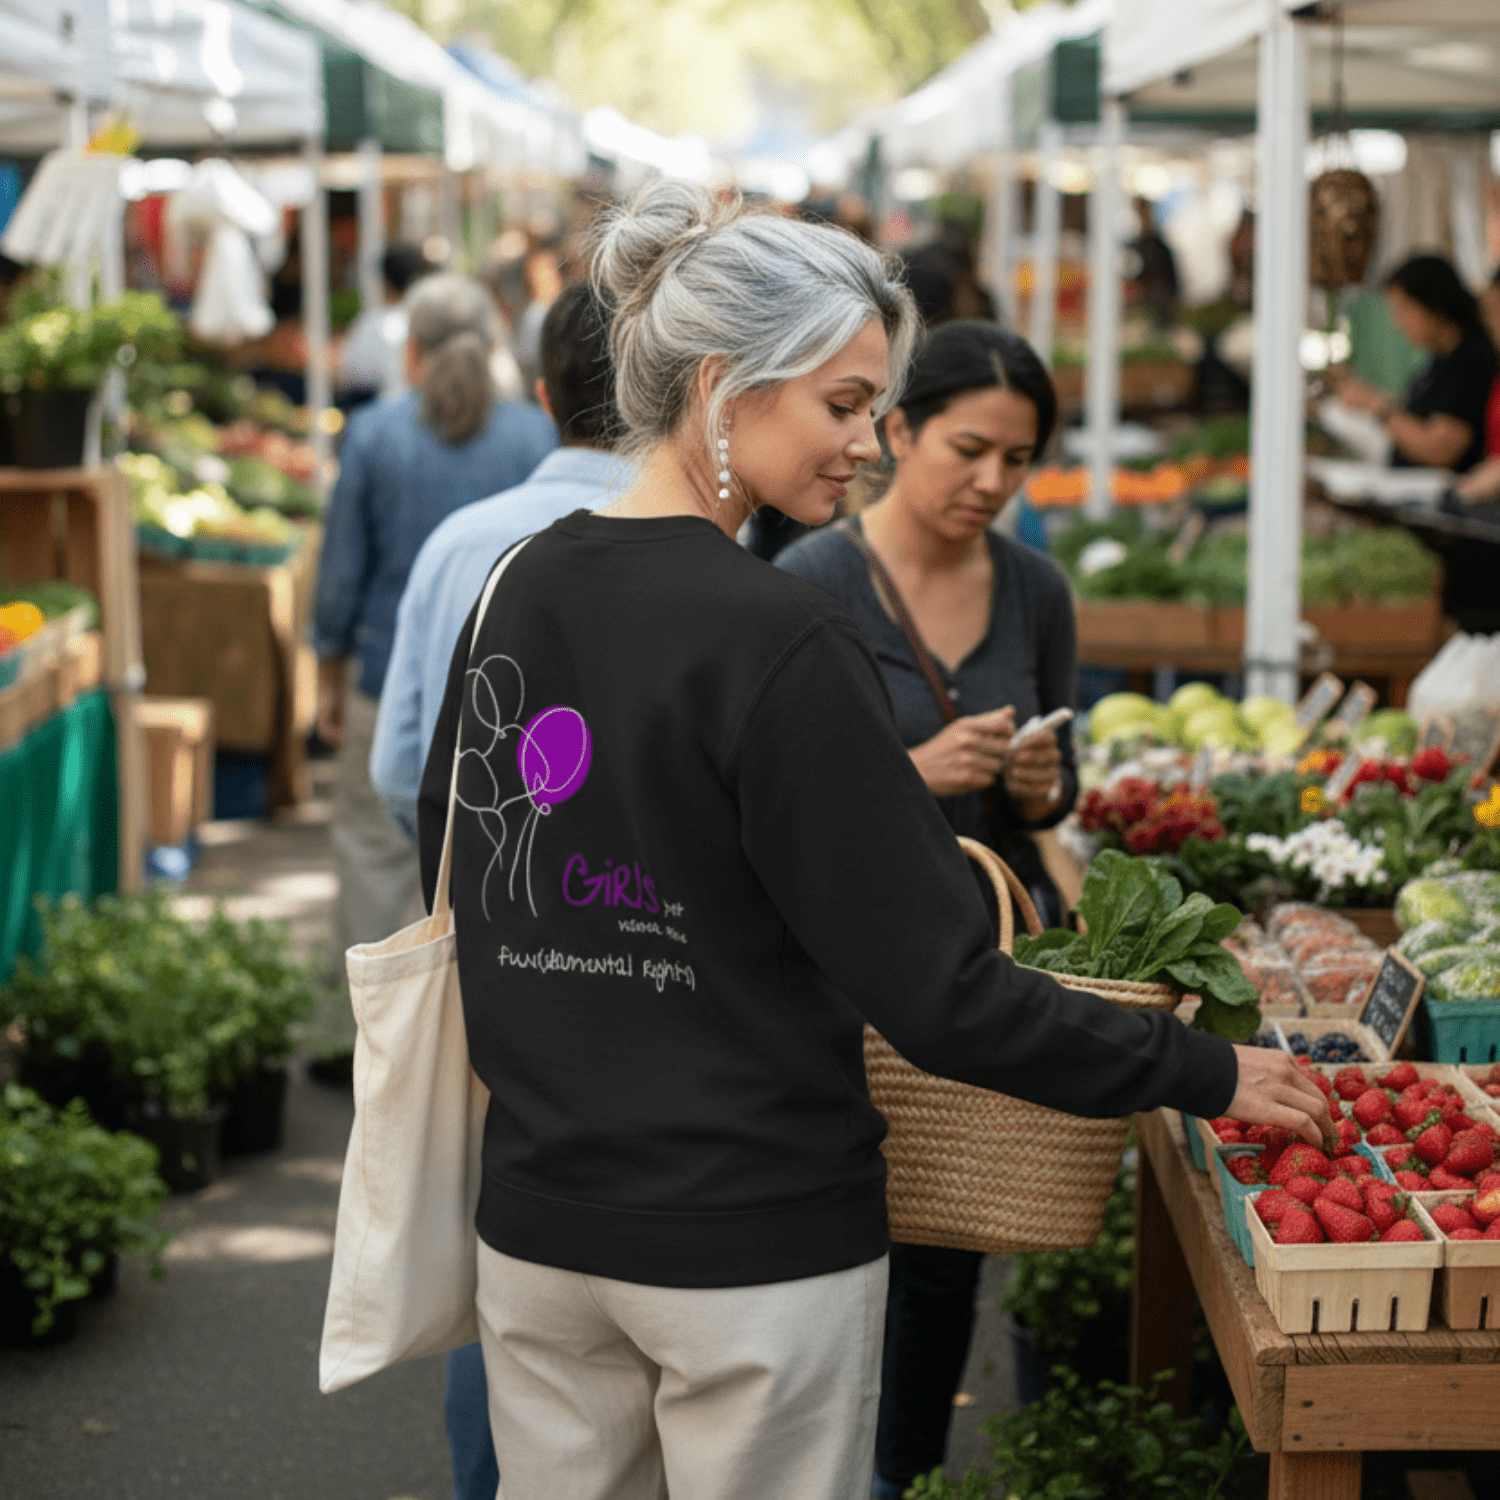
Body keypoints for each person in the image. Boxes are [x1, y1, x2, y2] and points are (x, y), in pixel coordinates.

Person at [414, 179, 1330, 1500]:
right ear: (724, 387)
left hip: (541, 1231)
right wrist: (1200, 1068)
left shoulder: (516, 584)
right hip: (750, 1244)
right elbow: (944, 992)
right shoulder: (783, 635)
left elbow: (457, 874)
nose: (868, 445)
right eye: (844, 404)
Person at [775, 320, 1074, 1498]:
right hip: (835, 971)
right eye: (969, 449)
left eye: (1019, 459)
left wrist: (1040, 782)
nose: (993, 481)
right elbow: (769, 799)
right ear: (898, 432)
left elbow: (1058, 786)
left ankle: (907, 1477)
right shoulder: (812, 582)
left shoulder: (1036, 590)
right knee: (833, 1236)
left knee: (946, 1247)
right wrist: (916, 772)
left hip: (971, 962)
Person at [372, 277, 630, 1500]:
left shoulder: (463, 542)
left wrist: (467, 875)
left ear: (539, 394)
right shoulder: (715, 549)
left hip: (491, 954)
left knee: (504, 1233)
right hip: (657, 959)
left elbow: (398, 767)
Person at [314, 272, 556, 960]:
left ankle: (374, 1018)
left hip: (387, 679)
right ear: (494, 345)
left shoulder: (371, 433)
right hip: (513, 692)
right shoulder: (535, 436)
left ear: (412, 352)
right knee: (503, 854)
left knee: (375, 849)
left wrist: (328, 671)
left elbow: (341, 573)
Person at [1330, 253, 1497, 474]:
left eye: (1404, 310)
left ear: (1433, 305)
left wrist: (1377, 406)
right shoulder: (1442, 358)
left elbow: (1440, 450)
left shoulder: (1471, 360)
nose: (1398, 323)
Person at [335, 244, 430, 406]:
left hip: (381, 408)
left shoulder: (375, 322)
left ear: (386, 282)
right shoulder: (430, 320)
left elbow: (348, 371)